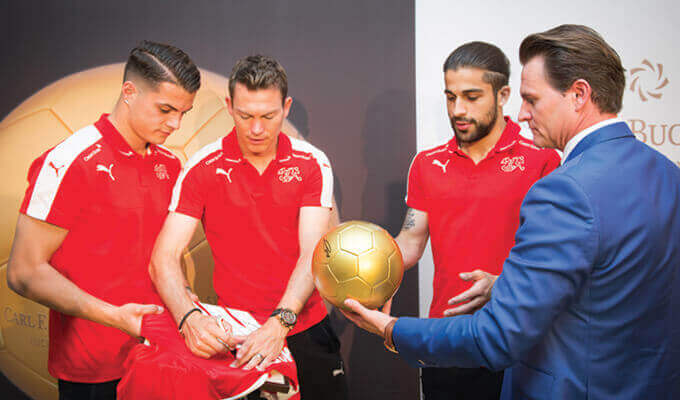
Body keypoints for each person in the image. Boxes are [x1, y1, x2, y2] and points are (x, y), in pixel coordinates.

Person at [343, 24, 680, 399]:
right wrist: (366, 271)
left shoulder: (560, 180)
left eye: (532, 99)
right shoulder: (669, 173)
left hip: (538, 364)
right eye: (451, 96)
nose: (523, 112)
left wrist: (391, 329)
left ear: (579, 94)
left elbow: (500, 335)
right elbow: (605, 279)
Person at [6, 41, 200, 400]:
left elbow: (165, 258)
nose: (175, 123)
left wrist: (189, 308)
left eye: (183, 113)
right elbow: (23, 272)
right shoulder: (68, 162)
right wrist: (117, 317)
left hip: (161, 357)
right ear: (129, 92)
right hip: (95, 370)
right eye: (166, 109)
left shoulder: (169, 165)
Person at [149, 54, 348, 399]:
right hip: (237, 333)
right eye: (245, 115)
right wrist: (189, 318)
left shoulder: (312, 163)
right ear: (229, 106)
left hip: (304, 326)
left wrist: (278, 324)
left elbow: (312, 253)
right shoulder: (202, 167)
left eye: (268, 116)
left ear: (286, 107)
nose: (257, 129)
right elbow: (163, 258)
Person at [394, 41, 559, 399]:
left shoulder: (542, 160)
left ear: (503, 95)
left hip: (518, 341)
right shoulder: (427, 163)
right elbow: (408, 243)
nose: (458, 109)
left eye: (471, 97)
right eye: (451, 97)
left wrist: (503, 284)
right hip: (447, 342)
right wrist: (364, 270)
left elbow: (554, 257)